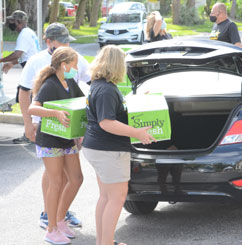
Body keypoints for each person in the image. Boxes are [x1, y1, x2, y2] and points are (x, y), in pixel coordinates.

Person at [82, 45, 155, 245]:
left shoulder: (99, 85)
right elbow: (107, 122)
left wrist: (139, 99)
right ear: (116, 64)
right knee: (116, 197)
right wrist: (137, 133)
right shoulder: (106, 89)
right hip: (108, 150)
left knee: (106, 197)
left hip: (98, 147)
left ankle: (104, 241)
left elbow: (113, 111)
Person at [19, 22, 88, 230]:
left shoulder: (71, 69)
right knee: (54, 177)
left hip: (67, 132)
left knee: (70, 177)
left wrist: (81, 129)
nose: (66, 44)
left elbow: (84, 97)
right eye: (61, 41)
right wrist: (28, 124)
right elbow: (26, 96)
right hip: (47, 130)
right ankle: (50, 218)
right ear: (49, 42)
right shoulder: (38, 66)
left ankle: (60, 215)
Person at [28, 47, 84, 244]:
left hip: (67, 138)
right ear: (64, 65)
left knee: (76, 178)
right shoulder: (51, 84)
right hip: (50, 140)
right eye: (74, 64)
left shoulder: (69, 82)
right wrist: (56, 114)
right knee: (56, 182)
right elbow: (32, 107)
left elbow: (83, 101)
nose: (76, 68)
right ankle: (51, 229)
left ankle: (60, 221)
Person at [0, 10, 40, 144]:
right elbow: (24, 55)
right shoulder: (29, 32)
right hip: (34, 70)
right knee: (32, 103)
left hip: (32, 72)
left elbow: (18, 54)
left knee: (26, 103)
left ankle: (29, 134)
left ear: (19, 22)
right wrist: (11, 63)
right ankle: (33, 133)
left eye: (12, 21)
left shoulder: (23, 35)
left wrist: (1, 60)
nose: (10, 23)